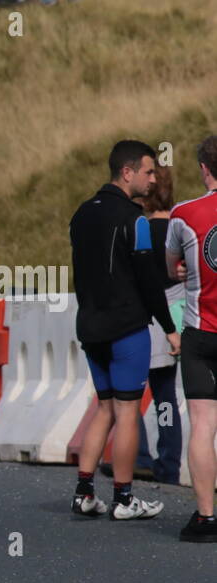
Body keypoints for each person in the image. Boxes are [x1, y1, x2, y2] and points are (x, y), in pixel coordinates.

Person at [68, 140, 177, 520]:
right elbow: (149, 281)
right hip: (126, 326)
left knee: (104, 409)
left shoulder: (80, 214)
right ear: (126, 172)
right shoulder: (137, 221)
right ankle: (125, 499)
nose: (153, 179)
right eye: (148, 171)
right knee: (128, 412)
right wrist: (170, 327)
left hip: (90, 326)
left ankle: (84, 492)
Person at [165, 135, 217, 540]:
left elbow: (172, 268)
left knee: (203, 425)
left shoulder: (183, 214)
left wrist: (184, 270)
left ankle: (205, 517)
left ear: (204, 169)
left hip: (201, 334)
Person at [128, 165, 185, 484]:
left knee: (129, 393)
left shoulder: (141, 231)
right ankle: (169, 463)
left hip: (146, 320)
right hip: (177, 320)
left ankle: (138, 455)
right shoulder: (180, 228)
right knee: (166, 397)